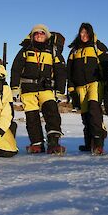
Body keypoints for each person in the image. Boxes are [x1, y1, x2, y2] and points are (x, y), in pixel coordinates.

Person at [10, 24, 67, 154]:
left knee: (52, 113)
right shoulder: (25, 50)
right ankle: (37, 144)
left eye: (42, 33)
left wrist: (60, 91)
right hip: (28, 89)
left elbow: (60, 72)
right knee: (32, 117)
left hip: (46, 89)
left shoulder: (53, 51)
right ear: (32, 36)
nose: (39, 35)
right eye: (36, 33)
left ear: (46, 36)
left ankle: (53, 143)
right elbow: (16, 69)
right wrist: (14, 88)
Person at [67, 23, 108, 154]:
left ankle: (98, 144)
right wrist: (71, 88)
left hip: (95, 84)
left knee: (94, 111)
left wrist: (107, 82)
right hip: (79, 87)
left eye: (86, 33)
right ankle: (88, 143)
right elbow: (68, 71)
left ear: (91, 33)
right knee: (85, 116)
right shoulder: (74, 50)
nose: (84, 35)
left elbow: (107, 65)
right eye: (82, 33)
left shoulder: (98, 46)